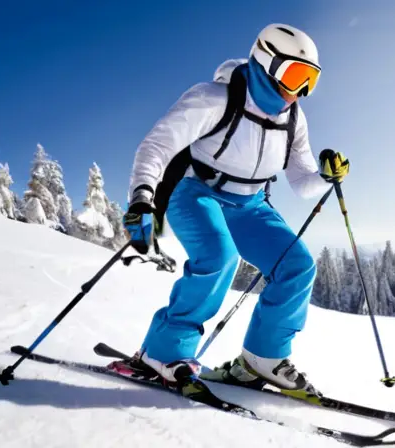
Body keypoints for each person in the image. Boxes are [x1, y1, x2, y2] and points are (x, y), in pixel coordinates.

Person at [118, 23, 350, 393]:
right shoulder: (214, 98)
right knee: (218, 257)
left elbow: (302, 182)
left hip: (251, 204)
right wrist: (142, 196)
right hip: (196, 192)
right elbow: (157, 145)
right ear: (267, 62)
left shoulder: (293, 119)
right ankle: (162, 353)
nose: (300, 91)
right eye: (295, 76)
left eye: (310, 80)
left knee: (297, 265)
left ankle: (263, 359)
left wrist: (324, 175)